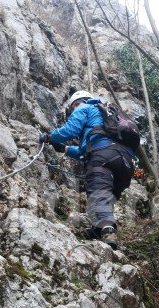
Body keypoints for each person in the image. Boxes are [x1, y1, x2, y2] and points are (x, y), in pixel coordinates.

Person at [38, 90, 134, 249]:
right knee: (106, 197)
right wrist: (65, 149)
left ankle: (107, 230)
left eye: (72, 109)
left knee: (98, 192)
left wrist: (49, 137)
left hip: (103, 158)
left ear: (75, 104)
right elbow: (85, 152)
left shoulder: (84, 107)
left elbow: (69, 131)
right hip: (125, 164)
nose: (73, 112)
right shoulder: (105, 118)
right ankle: (98, 229)